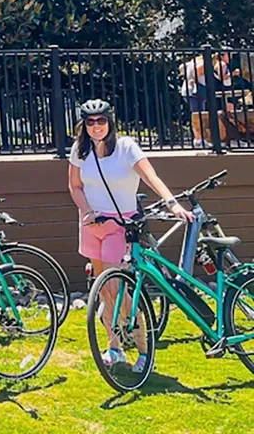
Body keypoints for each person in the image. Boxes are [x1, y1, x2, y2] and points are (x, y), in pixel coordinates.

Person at [68, 99, 192, 372]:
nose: (96, 126)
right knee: (104, 291)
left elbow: (151, 177)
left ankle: (144, 349)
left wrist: (173, 203)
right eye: (90, 122)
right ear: (84, 125)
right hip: (91, 224)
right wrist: (87, 210)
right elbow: (75, 186)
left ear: (110, 121)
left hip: (119, 224)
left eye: (101, 120)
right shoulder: (80, 150)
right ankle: (115, 347)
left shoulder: (126, 146)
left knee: (119, 287)